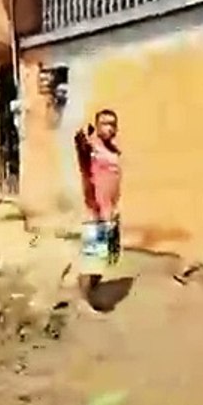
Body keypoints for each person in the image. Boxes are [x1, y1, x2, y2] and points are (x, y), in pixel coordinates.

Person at [74, 109, 122, 301]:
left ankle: (87, 290)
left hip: (110, 212)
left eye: (112, 124)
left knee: (105, 259)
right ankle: (85, 300)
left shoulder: (114, 152)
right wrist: (81, 138)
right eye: (104, 123)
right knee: (93, 260)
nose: (109, 128)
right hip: (95, 212)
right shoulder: (91, 148)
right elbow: (81, 147)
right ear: (97, 125)